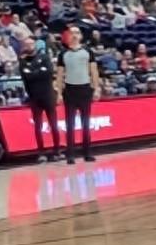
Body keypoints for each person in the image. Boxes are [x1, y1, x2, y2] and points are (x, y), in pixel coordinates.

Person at [55, 25, 100, 164]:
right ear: (68, 36)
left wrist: (96, 88)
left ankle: (87, 153)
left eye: (77, 33)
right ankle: (70, 154)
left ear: (80, 36)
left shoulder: (88, 52)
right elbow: (59, 75)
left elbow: (93, 71)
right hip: (70, 91)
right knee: (70, 124)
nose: (74, 35)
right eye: (72, 33)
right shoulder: (63, 54)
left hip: (85, 89)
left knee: (86, 123)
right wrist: (59, 93)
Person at [19, 37, 61, 162]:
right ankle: (41, 152)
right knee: (38, 126)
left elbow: (48, 73)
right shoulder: (23, 61)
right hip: (34, 98)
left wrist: (33, 72)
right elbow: (27, 77)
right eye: (27, 44)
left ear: (35, 45)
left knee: (54, 124)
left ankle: (57, 151)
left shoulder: (44, 57)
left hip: (48, 95)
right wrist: (39, 71)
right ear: (24, 46)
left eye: (31, 43)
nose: (29, 46)